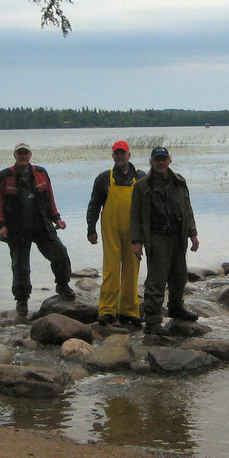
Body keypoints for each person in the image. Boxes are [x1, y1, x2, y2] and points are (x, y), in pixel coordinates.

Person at [0, 142, 75, 318]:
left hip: (41, 225)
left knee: (60, 253)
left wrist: (57, 218)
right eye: (19, 153)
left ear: (30, 155)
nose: (23, 156)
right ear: (15, 155)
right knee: (20, 266)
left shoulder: (41, 173)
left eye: (25, 153)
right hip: (16, 229)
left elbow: (50, 198)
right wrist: (0, 225)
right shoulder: (3, 176)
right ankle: (22, 300)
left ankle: (63, 285)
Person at [130, 146, 199, 336]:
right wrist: (136, 241)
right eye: (157, 159)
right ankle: (152, 321)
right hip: (157, 237)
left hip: (179, 236)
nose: (161, 162)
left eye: (164, 158)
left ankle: (176, 308)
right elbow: (135, 216)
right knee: (156, 280)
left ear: (170, 160)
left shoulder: (179, 182)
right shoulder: (142, 185)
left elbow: (188, 209)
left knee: (180, 276)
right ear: (151, 162)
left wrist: (193, 233)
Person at [86, 140, 145, 327]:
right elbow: (94, 205)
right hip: (110, 229)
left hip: (134, 231)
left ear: (129, 155)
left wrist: (146, 234)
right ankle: (107, 311)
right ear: (113, 156)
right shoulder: (104, 178)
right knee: (111, 270)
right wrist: (91, 229)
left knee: (131, 269)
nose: (119, 156)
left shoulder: (141, 177)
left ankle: (129, 311)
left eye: (123, 153)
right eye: (116, 154)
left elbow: (148, 208)